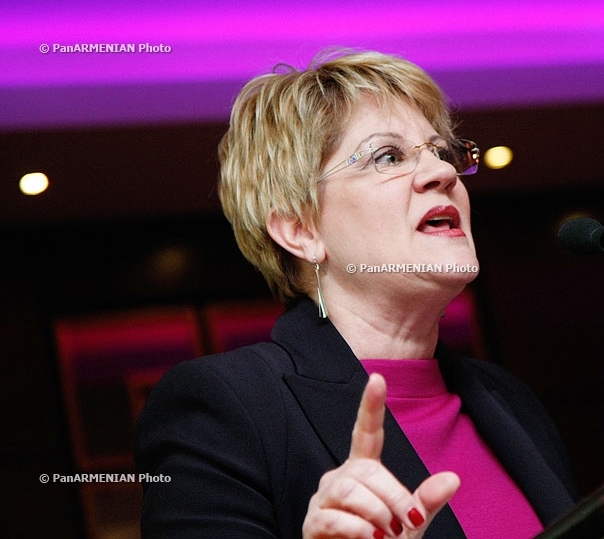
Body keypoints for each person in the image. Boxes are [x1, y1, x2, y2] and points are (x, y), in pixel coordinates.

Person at [135, 49, 577, 538]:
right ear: (301, 230)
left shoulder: (510, 399)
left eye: (441, 151)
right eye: (387, 156)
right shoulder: (226, 407)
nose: (443, 173)